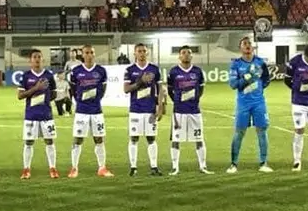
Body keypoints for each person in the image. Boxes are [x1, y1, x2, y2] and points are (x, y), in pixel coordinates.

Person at [227, 37, 273, 173]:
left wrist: (258, 88)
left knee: (262, 131)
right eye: (244, 44)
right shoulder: (236, 64)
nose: (247, 46)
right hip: (243, 104)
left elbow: (266, 80)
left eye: (249, 44)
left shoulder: (260, 62)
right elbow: (233, 84)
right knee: (239, 132)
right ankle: (233, 164)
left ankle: (263, 163)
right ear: (240, 48)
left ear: (252, 47)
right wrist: (247, 78)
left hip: (259, 103)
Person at [68, 44, 113, 178]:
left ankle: (102, 168)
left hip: (96, 111)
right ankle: (74, 168)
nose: (89, 55)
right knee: (78, 139)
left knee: (99, 139)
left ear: (94, 54)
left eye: (91, 52)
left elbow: (102, 91)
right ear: (82, 55)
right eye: (86, 53)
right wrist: (80, 100)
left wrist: (93, 98)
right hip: (81, 111)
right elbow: (72, 89)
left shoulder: (101, 71)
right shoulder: (76, 71)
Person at [167, 46, 212, 175]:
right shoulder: (173, 72)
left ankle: (203, 166)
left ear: (192, 56)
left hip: (194, 111)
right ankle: (175, 167)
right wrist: (177, 101)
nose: (186, 55)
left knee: (199, 138)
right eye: (183, 53)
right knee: (176, 140)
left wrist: (194, 99)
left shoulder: (198, 71)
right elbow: (170, 90)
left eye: (188, 53)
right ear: (179, 56)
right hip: (179, 112)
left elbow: (201, 89)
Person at [123, 43, 164, 176]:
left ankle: (154, 167)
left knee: (151, 138)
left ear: (147, 53)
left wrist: (160, 107)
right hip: (135, 110)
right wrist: (141, 81)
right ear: (134, 53)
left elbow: (160, 89)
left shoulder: (154, 69)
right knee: (134, 138)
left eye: (144, 51)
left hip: (150, 110)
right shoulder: (130, 70)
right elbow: (126, 89)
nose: (142, 53)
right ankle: (133, 167)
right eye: (139, 51)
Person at [18, 49, 59, 179]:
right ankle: (26, 169)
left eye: (39, 57)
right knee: (29, 142)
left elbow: (54, 94)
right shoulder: (26, 76)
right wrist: (36, 88)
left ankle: (53, 168)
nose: (37, 59)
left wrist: (43, 100)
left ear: (43, 59)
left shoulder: (49, 75)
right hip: (31, 115)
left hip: (46, 115)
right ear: (30, 60)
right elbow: (20, 95)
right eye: (34, 57)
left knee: (49, 141)